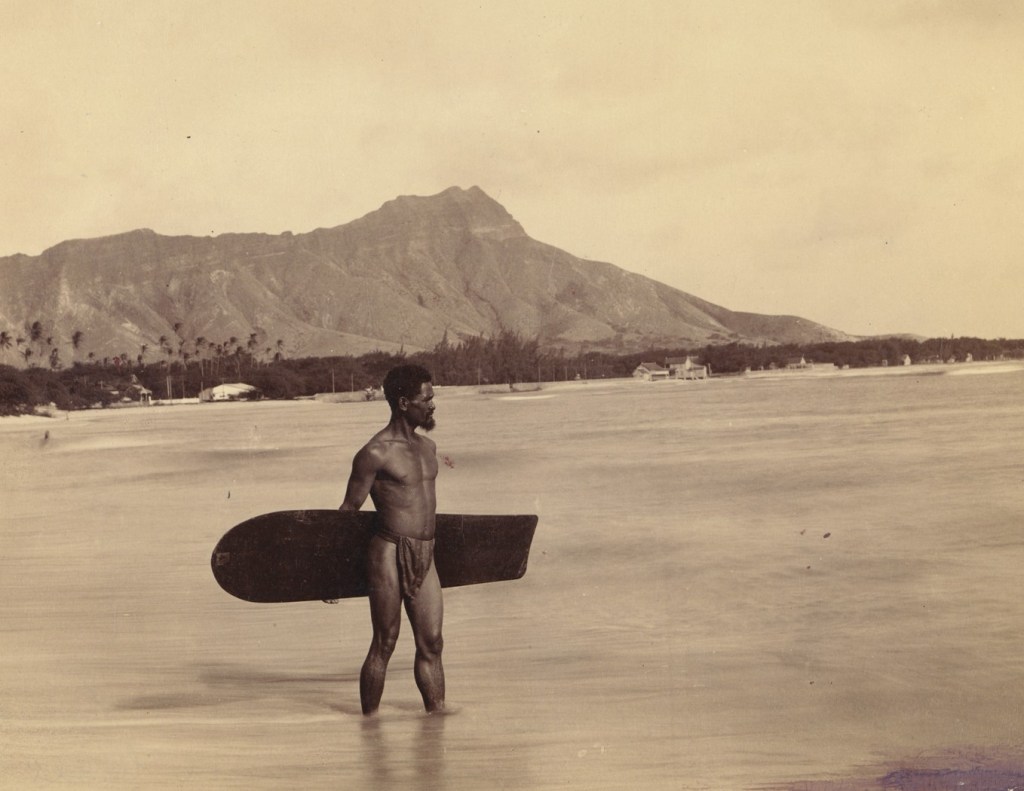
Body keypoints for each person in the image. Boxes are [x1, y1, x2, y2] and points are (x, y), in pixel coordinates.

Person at [340, 364, 445, 715]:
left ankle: (437, 724)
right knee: (385, 642)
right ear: (403, 403)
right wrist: (330, 569)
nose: (432, 405)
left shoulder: (429, 447)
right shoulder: (375, 453)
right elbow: (349, 509)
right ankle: (369, 724)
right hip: (388, 550)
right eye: (425, 400)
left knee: (432, 643)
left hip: (426, 553)